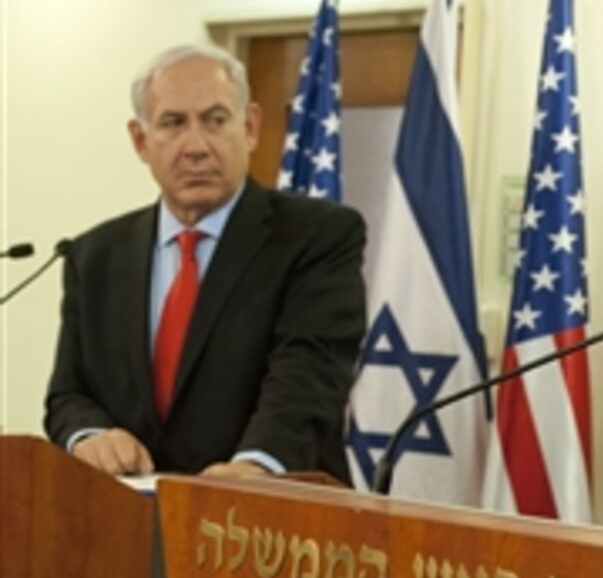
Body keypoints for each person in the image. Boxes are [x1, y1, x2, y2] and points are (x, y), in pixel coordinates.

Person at [44, 43, 366, 483]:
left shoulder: (317, 237)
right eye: (173, 124)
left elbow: (309, 376)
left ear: (250, 127)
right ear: (141, 141)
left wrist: (255, 465)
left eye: (215, 121)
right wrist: (90, 434)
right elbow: (68, 392)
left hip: (267, 526)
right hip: (126, 525)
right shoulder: (93, 256)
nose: (195, 146)